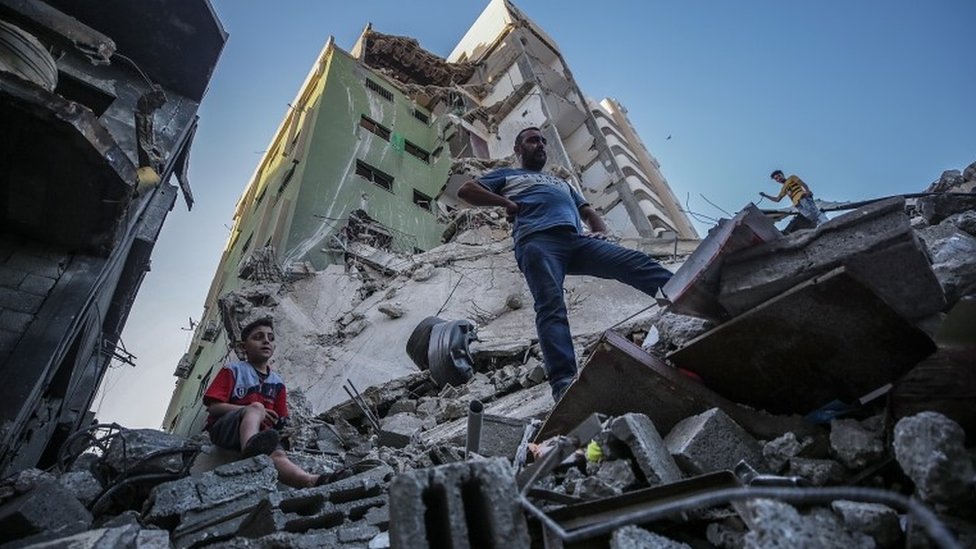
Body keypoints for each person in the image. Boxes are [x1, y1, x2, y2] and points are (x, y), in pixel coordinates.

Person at [456, 127, 673, 402]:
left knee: (635, 262)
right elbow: (467, 189)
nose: (541, 145)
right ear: (518, 149)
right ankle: (564, 384)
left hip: (577, 242)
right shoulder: (508, 175)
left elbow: (587, 211)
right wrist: (506, 203)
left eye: (544, 141)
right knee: (551, 306)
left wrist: (599, 230)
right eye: (533, 140)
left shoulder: (562, 183)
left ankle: (685, 297)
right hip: (537, 242)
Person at [202, 318, 324, 488]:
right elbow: (214, 407)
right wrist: (250, 410)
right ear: (243, 347)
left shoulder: (278, 383)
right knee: (257, 408)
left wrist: (277, 424)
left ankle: (310, 480)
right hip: (226, 430)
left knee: (279, 456)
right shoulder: (233, 370)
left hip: (261, 435)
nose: (266, 341)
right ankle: (249, 451)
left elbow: (281, 421)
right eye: (258, 337)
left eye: (271, 338)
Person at [761, 169, 828, 226]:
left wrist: (807, 191)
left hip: (802, 197)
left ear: (782, 174)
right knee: (809, 216)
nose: (778, 178)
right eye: (776, 178)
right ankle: (822, 225)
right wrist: (765, 195)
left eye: (779, 176)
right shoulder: (783, 189)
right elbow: (777, 199)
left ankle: (827, 223)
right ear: (776, 181)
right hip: (797, 204)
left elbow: (802, 183)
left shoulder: (791, 178)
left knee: (814, 212)